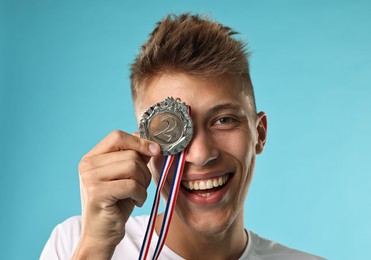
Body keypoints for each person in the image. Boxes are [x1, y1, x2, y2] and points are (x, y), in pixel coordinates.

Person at [41, 13, 324, 260]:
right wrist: (95, 248)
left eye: (223, 120)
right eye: (171, 128)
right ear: (142, 144)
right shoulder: (75, 243)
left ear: (259, 134)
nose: (201, 154)